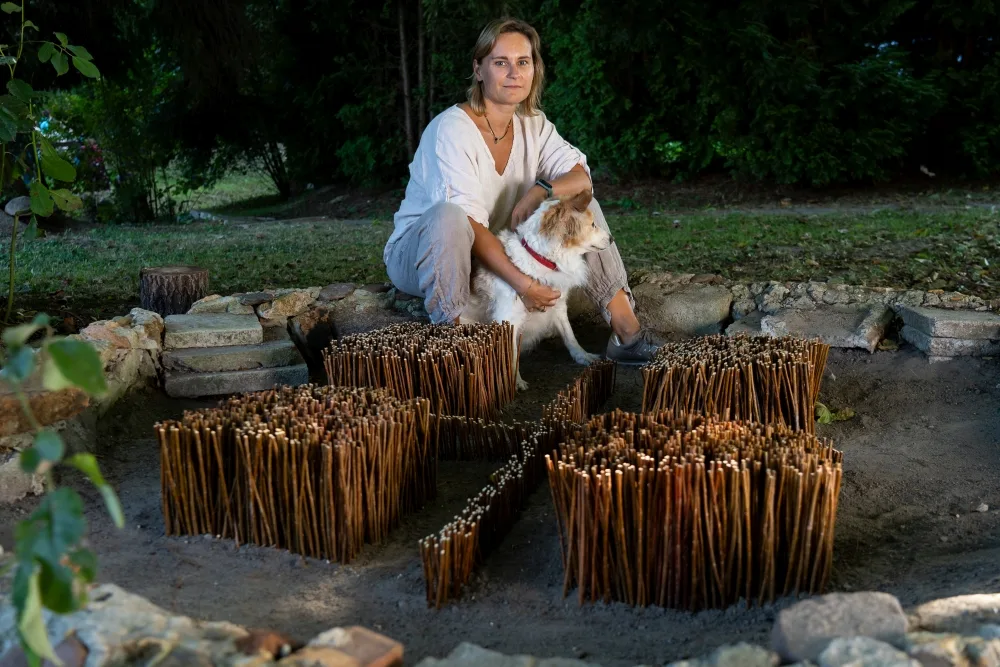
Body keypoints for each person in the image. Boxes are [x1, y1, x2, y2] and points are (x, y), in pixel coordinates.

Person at [383, 17, 663, 364]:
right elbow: (467, 225)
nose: (514, 73)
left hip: (497, 247)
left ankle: (627, 335)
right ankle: (456, 343)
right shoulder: (451, 130)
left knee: (580, 208)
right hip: (426, 252)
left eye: (523, 62)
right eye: (501, 62)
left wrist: (542, 189)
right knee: (449, 216)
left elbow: (582, 181)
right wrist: (525, 286)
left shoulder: (535, 125)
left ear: (535, 70)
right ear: (479, 69)